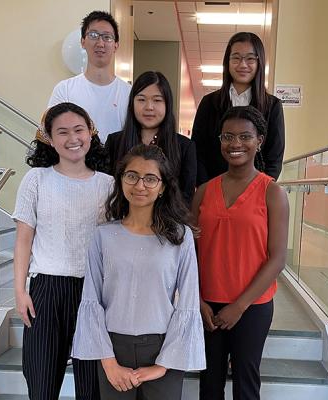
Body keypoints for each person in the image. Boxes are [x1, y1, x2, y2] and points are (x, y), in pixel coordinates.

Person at [71, 144, 205, 400]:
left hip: (164, 347)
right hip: (112, 348)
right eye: (131, 176)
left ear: (163, 186)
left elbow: (188, 302)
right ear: (121, 180)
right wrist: (109, 362)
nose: (140, 185)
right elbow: (91, 300)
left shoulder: (180, 236)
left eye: (150, 178)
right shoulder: (103, 236)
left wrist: (162, 365)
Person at [13, 102, 113, 400]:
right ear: (49, 138)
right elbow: (23, 240)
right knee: (42, 383)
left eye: (79, 130)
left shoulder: (108, 185)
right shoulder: (36, 180)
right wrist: (20, 292)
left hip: (94, 291)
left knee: (91, 387)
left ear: (91, 133)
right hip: (46, 288)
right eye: (63, 132)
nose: (73, 139)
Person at [192, 106, 289, 400]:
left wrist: (239, 306)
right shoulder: (203, 192)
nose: (236, 144)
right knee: (209, 385)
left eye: (245, 136)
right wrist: (197, 300)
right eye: (228, 136)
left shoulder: (272, 192)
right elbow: (188, 254)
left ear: (259, 140)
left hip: (252, 306)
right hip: (207, 305)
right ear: (219, 141)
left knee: (246, 385)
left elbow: (277, 259)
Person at [192, 32, 285, 186]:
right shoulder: (209, 103)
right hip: (214, 190)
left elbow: (274, 157)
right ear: (227, 62)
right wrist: (207, 188)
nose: (242, 65)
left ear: (259, 61)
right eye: (236, 58)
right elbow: (198, 152)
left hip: (255, 194)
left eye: (250, 58)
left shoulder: (272, 106)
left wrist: (259, 190)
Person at [105, 71, 196, 205]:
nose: (149, 107)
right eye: (141, 100)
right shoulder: (115, 142)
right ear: (132, 104)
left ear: (167, 104)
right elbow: (108, 191)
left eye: (157, 100)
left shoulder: (185, 147)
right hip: (122, 221)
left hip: (167, 223)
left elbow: (186, 198)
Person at [48, 10, 131, 143]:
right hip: (75, 162)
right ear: (82, 41)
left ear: (116, 45)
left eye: (107, 37)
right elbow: (53, 133)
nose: (100, 43)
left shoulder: (129, 93)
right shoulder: (64, 90)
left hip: (118, 162)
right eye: (93, 35)